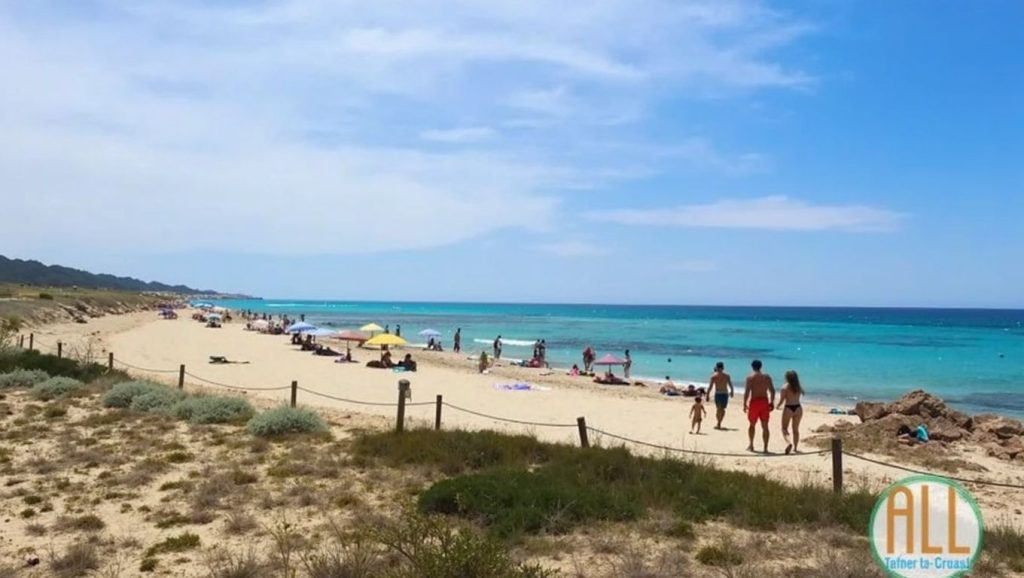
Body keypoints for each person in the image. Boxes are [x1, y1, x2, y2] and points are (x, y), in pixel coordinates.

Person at [743, 359, 775, 453]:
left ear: (752, 367)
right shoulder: (767, 377)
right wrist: (772, 402)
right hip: (764, 401)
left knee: (752, 425)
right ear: (761, 366)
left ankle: (751, 445)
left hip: (754, 402)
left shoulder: (750, 378)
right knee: (765, 426)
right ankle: (765, 448)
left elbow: (747, 392)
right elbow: (772, 391)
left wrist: (744, 403)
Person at [777, 370, 804, 454]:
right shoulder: (799, 387)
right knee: (795, 429)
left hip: (789, 407)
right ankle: (795, 448)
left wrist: (777, 406)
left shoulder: (784, 387)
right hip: (798, 407)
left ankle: (789, 443)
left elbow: (782, 400)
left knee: (784, 428)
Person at [706, 362, 735, 430]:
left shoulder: (715, 376)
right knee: (721, 409)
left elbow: (710, 386)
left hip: (720, 393)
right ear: (723, 368)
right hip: (723, 393)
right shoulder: (725, 375)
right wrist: (732, 391)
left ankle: (719, 422)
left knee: (720, 409)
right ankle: (719, 423)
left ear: (717, 367)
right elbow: (730, 384)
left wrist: (707, 394)